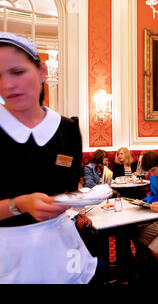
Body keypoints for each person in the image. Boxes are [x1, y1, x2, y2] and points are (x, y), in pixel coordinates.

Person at [0, 32, 97, 283]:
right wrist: (18, 204)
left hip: (59, 246)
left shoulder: (67, 130)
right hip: (8, 253)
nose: (7, 85)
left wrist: (73, 200)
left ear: (42, 70)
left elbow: (68, 189)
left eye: (17, 72)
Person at [134, 151, 158, 280]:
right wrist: (144, 203)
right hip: (155, 211)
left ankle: (156, 270)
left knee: (140, 232)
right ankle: (146, 266)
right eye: (149, 172)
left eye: (153, 170)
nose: (152, 174)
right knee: (135, 229)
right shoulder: (153, 175)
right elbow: (153, 194)